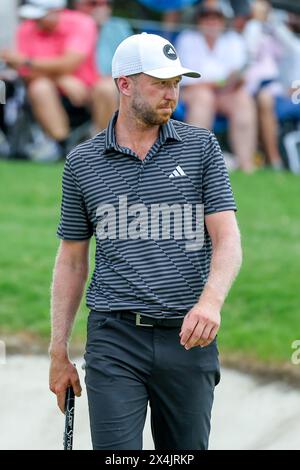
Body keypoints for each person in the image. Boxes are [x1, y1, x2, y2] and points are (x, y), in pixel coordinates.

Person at [49, 32, 242, 450]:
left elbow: (227, 239)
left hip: (189, 339)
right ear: (125, 84)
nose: (171, 93)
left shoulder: (202, 147)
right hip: (114, 338)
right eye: (160, 83)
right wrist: (57, 351)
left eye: (176, 83)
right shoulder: (82, 162)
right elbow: (72, 261)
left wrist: (210, 302)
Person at [0, 0, 117, 155]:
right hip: (49, 92)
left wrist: (27, 62)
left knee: (107, 88)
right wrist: (60, 79)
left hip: (87, 90)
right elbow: (24, 72)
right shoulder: (26, 27)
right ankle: (64, 148)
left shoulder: (82, 23)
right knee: (39, 87)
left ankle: (105, 147)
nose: (36, 20)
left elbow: (70, 62)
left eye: (41, 15)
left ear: (57, 11)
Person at [176, 2, 257, 172]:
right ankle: (194, 164)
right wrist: (220, 83)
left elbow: (239, 78)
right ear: (198, 19)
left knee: (243, 100)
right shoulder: (187, 39)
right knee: (204, 97)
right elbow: (188, 80)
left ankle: (246, 164)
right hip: (193, 93)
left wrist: (234, 82)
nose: (211, 21)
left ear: (224, 20)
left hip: (225, 94)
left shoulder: (234, 40)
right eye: (206, 16)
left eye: (216, 16)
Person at [75, 0, 133, 76]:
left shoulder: (119, 27)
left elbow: (131, 66)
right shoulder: (65, 26)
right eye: (93, 3)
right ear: (77, 5)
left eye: (108, 3)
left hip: (112, 83)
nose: (102, 8)